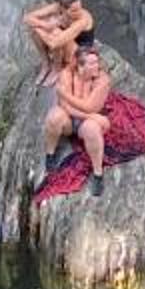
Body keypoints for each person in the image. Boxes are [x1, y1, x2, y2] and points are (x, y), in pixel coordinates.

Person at [42, 37, 115, 184]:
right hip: (71, 119)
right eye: (93, 63)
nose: (98, 65)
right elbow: (64, 106)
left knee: (91, 128)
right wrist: (92, 116)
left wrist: (66, 95)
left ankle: (97, 173)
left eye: (97, 61)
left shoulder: (102, 80)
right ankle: (50, 154)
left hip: (88, 121)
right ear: (81, 66)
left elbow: (90, 106)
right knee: (54, 116)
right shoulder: (67, 74)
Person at [23, 0, 95, 77]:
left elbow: (55, 43)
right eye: (74, 10)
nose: (78, 12)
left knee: (53, 31)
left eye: (80, 7)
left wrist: (38, 28)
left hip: (79, 54)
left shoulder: (83, 20)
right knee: (44, 26)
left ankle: (57, 70)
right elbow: (28, 18)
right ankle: (46, 63)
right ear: (63, 9)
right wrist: (45, 25)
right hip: (64, 45)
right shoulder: (57, 7)